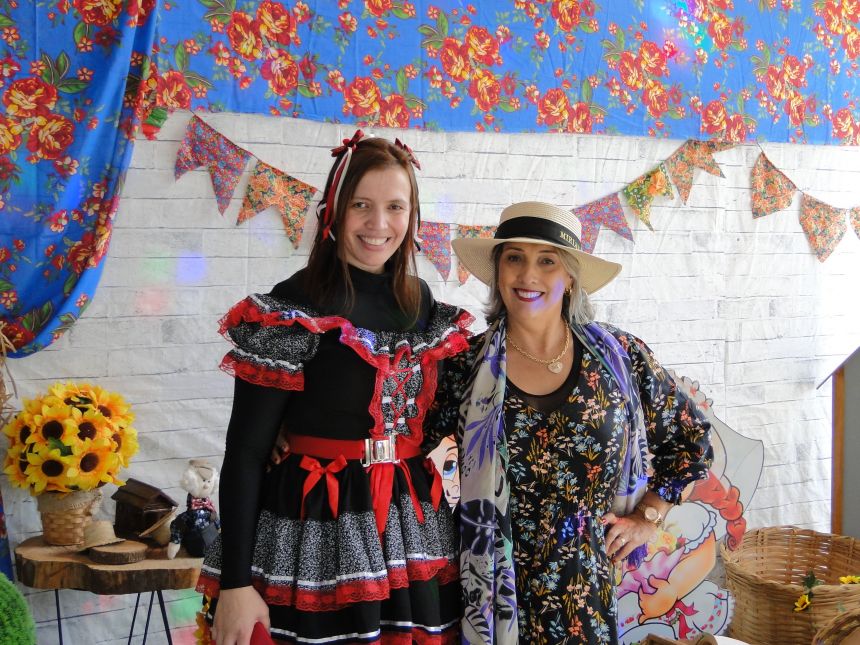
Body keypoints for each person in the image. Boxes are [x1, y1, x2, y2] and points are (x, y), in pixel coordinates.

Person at [197, 131, 472, 645]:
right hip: (315, 524)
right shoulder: (292, 306)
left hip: (409, 529)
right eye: (361, 205)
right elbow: (246, 453)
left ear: (412, 216)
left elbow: (441, 414)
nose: (379, 224)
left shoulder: (420, 303)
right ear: (333, 211)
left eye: (395, 207)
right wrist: (235, 583)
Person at [423, 201, 713, 645]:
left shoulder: (620, 358)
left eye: (547, 261)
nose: (528, 275)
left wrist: (648, 515)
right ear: (498, 272)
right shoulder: (464, 367)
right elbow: (413, 452)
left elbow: (690, 440)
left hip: (587, 593)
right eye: (514, 258)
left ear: (571, 277)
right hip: (489, 590)